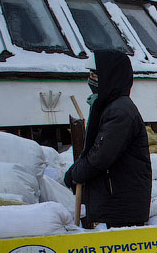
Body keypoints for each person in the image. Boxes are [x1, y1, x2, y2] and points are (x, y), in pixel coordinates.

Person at [64, 50, 152, 228]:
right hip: (117, 201)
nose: (90, 79)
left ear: (109, 76)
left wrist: (77, 173)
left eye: (94, 74)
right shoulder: (111, 108)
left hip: (122, 202)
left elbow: (101, 155)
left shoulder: (120, 112)